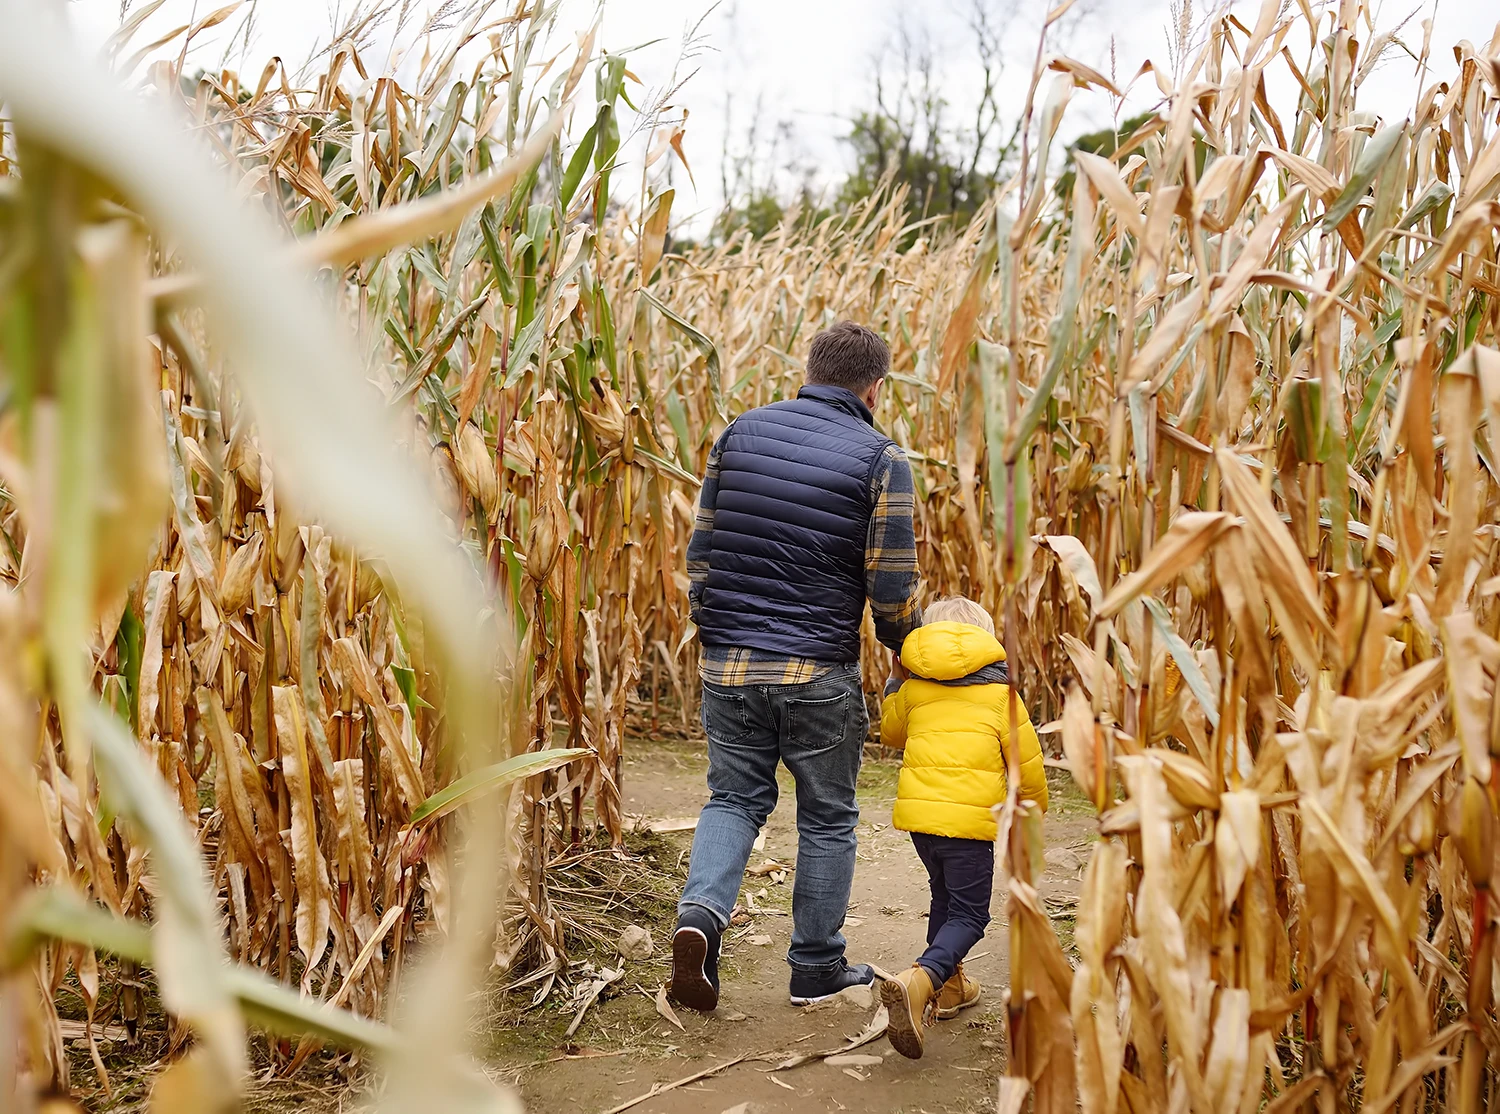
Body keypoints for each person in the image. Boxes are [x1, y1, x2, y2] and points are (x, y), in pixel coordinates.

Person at [668, 321, 922, 1011]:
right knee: (829, 816)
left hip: (728, 663)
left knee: (734, 798)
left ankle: (699, 920)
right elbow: (892, 585)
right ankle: (815, 969)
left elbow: (703, 552)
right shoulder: (882, 459)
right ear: (875, 388)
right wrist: (909, 648)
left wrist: (716, 631)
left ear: (808, 369)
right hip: (816, 671)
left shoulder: (738, 434)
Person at [875, 596, 1047, 1059]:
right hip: (970, 826)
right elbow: (1027, 768)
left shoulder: (914, 688)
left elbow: (891, 734)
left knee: (945, 898)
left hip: (922, 825)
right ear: (985, 641)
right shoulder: (1000, 695)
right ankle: (921, 978)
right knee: (970, 915)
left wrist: (895, 681)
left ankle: (948, 989)